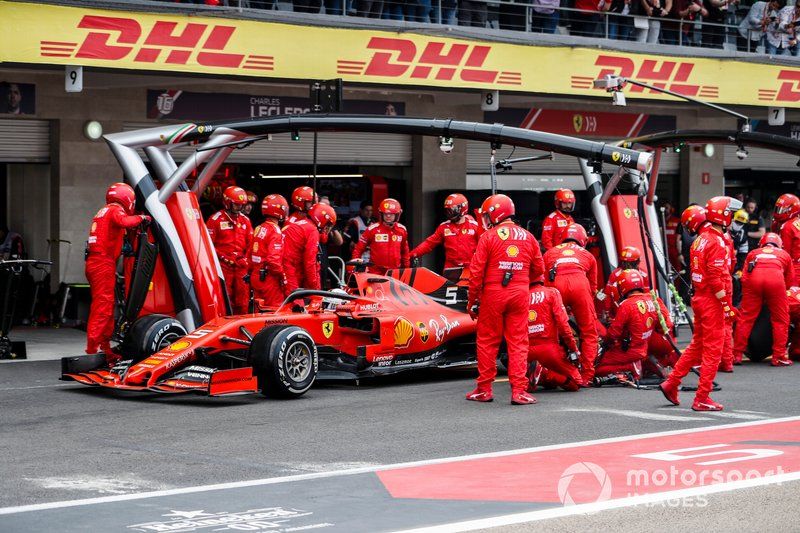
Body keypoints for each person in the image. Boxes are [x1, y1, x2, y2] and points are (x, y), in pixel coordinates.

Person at [660, 197, 740, 412]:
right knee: (713, 350)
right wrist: (726, 306)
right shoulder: (716, 241)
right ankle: (702, 397)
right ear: (723, 215)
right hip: (712, 300)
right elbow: (716, 278)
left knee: (697, 347)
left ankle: (672, 382)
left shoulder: (701, 239)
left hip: (700, 299)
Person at [467, 194, 544, 405]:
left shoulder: (488, 237)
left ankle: (484, 389)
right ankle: (519, 391)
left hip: (493, 293)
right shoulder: (528, 236)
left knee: (487, 341)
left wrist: (473, 300)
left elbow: (476, 273)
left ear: (495, 213)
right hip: (520, 293)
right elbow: (539, 269)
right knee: (518, 342)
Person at [85, 183, 151, 356]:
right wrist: (143, 219)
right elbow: (125, 221)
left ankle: (105, 349)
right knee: (103, 306)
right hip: (102, 263)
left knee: (106, 304)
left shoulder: (104, 211)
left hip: (97, 262)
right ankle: (92, 349)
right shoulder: (115, 210)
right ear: (127, 198)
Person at [544, 223, 599, 383]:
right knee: (589, 332)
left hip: (556, 286)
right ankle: (587, 376)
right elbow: (593, 289)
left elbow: (543, 285)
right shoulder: (588, 255)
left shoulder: (549, 253)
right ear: (583, 239)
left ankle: (552, 370)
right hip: (580, 285)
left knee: (551, 332)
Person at [732, 232, 793, 366]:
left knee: (745, 318)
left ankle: (736, 355)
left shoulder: (753, 253)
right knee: (781, 320)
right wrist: (773, 296)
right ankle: (779, 356)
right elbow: (789, 281)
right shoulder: (784, 255)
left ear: (762, 243)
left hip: (754, 282)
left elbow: (745, 277)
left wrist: (753, 295)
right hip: (776, 281)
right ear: (779, 244)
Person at [595, 269, 663, 380]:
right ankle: (642, 363)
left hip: (630, 349)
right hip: (645, 346)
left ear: (623, 287)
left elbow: (614, 333)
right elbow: (665, 324)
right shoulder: (653, 300)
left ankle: (630, 367)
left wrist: (605, 343)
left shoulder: (626, 305)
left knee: (596, 368)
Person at [526, 275, 583, 392]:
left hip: (525, 352)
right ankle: (544, 373)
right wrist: (573, 349)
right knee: (576, 383)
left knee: (550, 385)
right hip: (549, 349)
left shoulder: (518, 296)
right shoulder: (552, 293)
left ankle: (538, 374)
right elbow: (563, 325)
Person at [207, 186, 253, 314]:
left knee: (243, 300)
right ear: (227, 203)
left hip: (241, 267)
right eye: (236, 205)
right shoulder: (215, 220)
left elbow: (251, 244)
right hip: (223, 267)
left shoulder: (245, 220)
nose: (239, 208)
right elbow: (208, 245)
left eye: (241, 205)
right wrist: (223, 258)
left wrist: (245, 259)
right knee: (224, 299)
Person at [410, 193, 480, 270]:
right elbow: (428, 243)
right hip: (451, 269)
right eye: (448, 210)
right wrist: (412, 254)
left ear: (462, 208)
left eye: (452, 210)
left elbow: (484, 247)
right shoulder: (444, 227)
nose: (449, 213)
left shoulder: (475, 226)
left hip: (470, 268)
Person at [283, 203, 337, 292]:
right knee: (296, 303)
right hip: (289, 267)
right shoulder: (312, 230)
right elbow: (310, 262)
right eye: (328, 224)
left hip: (287, 265)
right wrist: (315, 288)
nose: (327, 228)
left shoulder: (302, 223)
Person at [249, 194, 289, 308]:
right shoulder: (275, 231)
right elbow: (273, 260)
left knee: (257, 312)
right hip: (269, 279)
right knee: (273, 313)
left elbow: (249, 253)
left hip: (256, 276)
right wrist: (283, 276)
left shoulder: (259, 227)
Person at [352, 198, 409, 274]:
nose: (388, 216)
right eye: (385, 214)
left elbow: (405, 252)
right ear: (381, 214)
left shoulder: (402, 230)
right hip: (375, 272)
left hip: (395, 272)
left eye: (391, 214)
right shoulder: (372, 229)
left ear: (397, 214)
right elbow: (358, 249)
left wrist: (406, 270)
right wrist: (354, 267)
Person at [597, 245, 649, 320]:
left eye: (630, 263)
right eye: (625, 262)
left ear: (637, 262)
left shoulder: (644, 275)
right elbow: (608, 294)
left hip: (639, 310)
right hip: (619, 310)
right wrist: (607, 312)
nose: (627, 265)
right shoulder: (615, 274)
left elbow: (648, 295)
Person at [775, 193, 800, 286]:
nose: (778, 212)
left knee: (792, 297)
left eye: (781, 210)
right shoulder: (797, 222)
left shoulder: (786, 226)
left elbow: (785, 254)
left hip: (795, 268)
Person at [729, 209, 749, 306]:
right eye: (737, 222)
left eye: (741, 223)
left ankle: (734, 306)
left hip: (735, 265)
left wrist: (740, 269)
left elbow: (743, 254)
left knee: (737, 282)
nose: (738, 224)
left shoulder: (742, 236)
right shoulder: (725, 230)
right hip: (722, 262)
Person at [662, 201, 682, 273]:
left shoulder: (677, 221)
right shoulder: (660, 221)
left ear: (671, 209)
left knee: (677, 269)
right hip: (663, 249)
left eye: (667, 208)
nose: (665, 209)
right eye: (664, 208)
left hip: (674, 250)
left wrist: (680, 252)